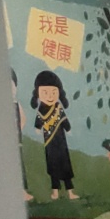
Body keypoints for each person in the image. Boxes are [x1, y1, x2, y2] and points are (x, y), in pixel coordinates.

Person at [32, 71, 76, 200]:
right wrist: (37, 127)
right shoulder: (41, 109)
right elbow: (39, 120)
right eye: (45, 92)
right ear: (38, 94)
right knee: (53, 166)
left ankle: (70, 191)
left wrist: (68, 129)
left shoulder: (58, 107)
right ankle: (55, 191)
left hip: (61, 142)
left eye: (53, 92)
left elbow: (64, 120)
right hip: (49, 142)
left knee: (65, 165)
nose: (50, 96)